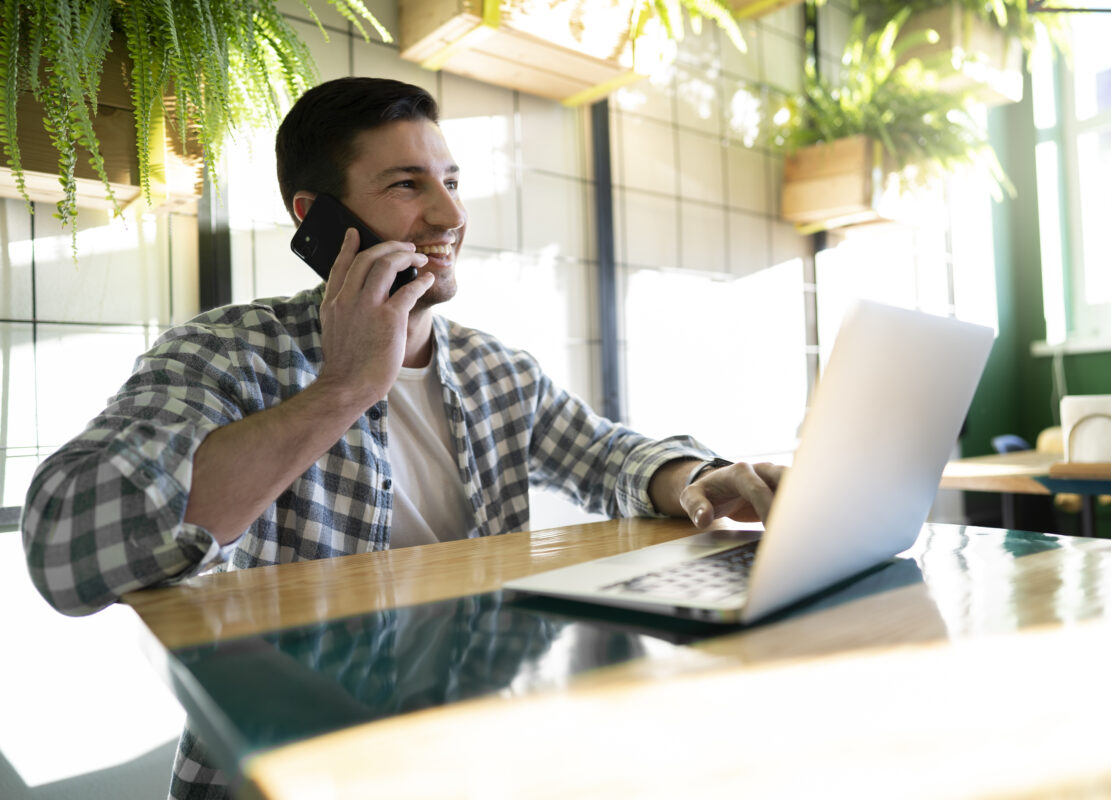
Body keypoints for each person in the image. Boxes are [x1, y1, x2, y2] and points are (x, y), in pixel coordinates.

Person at [21, 76, 784, 798]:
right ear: (314, 217)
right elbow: (67, 552)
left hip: (468, 758)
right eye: (406, 185)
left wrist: (692, 479)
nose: (450, 217)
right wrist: (344, 389)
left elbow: (607, 453)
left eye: (450, 182)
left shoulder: (497, 369)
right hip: (287, 771)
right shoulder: (228, 351)